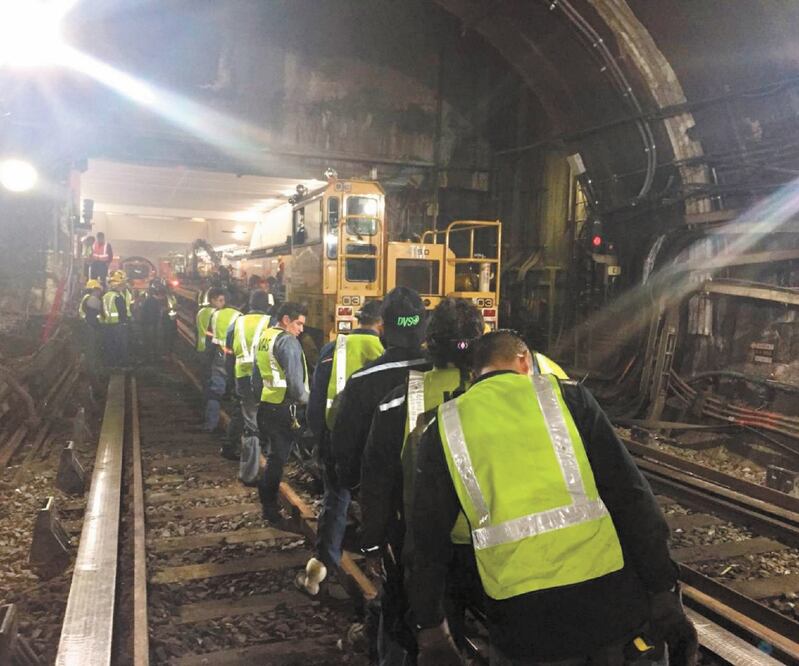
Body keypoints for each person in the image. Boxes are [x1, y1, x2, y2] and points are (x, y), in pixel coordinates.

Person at [409, 331, 697, 666]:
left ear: (474, 375)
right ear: (525, 361)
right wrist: (662, 588)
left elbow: (427, 541)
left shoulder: (445, 426)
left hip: (524, 623)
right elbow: (632, 498)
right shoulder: (570, 399)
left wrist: (431, 626)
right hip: (609, 604)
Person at [359, 298, 484, 662]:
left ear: (429, 343)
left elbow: (377, 481)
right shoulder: (498, 397)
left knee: (407, 626)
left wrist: (371, 545)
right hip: (490, 543)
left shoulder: (397, 402)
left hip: (422, 546)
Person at [296, 299, 385, 595]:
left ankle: (320, 570)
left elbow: (316, 403)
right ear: (381, 324)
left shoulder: (333, 349)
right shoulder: (385, 354)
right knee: (378, 506)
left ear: (359, 320)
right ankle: (381, 570)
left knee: (336, 501)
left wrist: (321, 440)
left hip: (337, 442)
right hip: (374, 446)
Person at [252, 301, 310, 523]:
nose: (301, 329)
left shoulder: (266, 337)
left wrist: (261, 398)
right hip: (284, 409)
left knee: (274, 457)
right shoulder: (288, 343)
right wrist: (309, 401)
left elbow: (255, 378)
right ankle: (270, 508)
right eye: (298, 324)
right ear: (286, 320)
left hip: (267, 406)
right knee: (277, 460)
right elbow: (296, 387)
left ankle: (268, 503)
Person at [227, 290, 273, 483]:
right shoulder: (271, 322)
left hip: (243, 377)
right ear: (267, 306)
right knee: (269, 419)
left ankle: (249, 473)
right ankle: (270, 467)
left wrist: (231, 380)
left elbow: (228, 352)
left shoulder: (237, 322)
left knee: (251, 423)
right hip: (266, 378)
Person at [203, 292, 241, 433]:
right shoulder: (239, 316)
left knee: (215, 391)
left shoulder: (216, 315)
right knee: (238, 393)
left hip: (219, 353)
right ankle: (235, 429)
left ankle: (210, 425)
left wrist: (208, 358)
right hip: (235, 356)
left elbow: (209, 336)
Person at [78, 279, 105, 394]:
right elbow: (99, 310)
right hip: (90, 328)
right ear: (94, 289)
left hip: (87, 327)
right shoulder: (92, 299)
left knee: (92, 353)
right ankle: (93, 379)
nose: (100, 293)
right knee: (91, 354)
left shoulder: (86, 298)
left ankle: (93, 376)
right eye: (98, 290)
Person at [101, 272, 130, 367]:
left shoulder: (105, 296)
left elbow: (102, 310)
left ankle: (111, 363)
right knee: (121, 345)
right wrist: (125, 321)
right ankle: (123, 364)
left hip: (107, 325)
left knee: (110, 345)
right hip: (119, 324)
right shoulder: (118, 296)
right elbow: (122, 311)